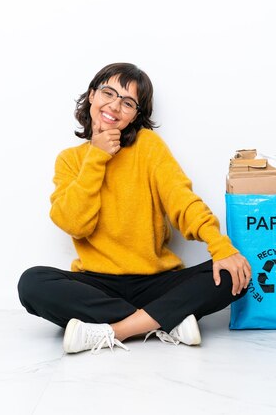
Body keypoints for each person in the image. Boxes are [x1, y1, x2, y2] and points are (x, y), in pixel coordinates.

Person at [18, 62, 251, 354]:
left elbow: (182, 200)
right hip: (96, 283)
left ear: (136, 115)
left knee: (233, 273)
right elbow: (75, 224)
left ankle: (115, 331)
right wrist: (96, 157)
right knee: (32, 283)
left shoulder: (148, 146)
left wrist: (221, 247)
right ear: (92, 95)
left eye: (127, 103)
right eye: (108, 93)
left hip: (155, 281)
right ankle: (165, 320)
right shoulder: (70, 160)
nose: (114, 106)